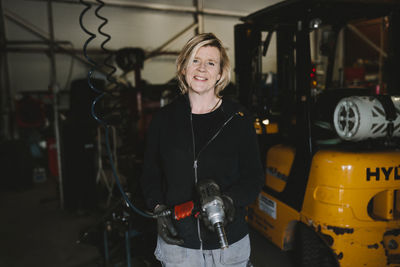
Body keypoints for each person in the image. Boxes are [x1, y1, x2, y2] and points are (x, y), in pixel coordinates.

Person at [140, 32, 264, 267]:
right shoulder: (163, 120)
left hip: (229, 246)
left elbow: (254, 177)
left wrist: (229, 201)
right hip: (179, 247)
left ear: (220, 73)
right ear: (184, 67)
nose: (202, 69)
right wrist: (158, 209)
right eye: (195, 60)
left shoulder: (238, 118)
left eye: (211, 63)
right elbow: (150, 174)